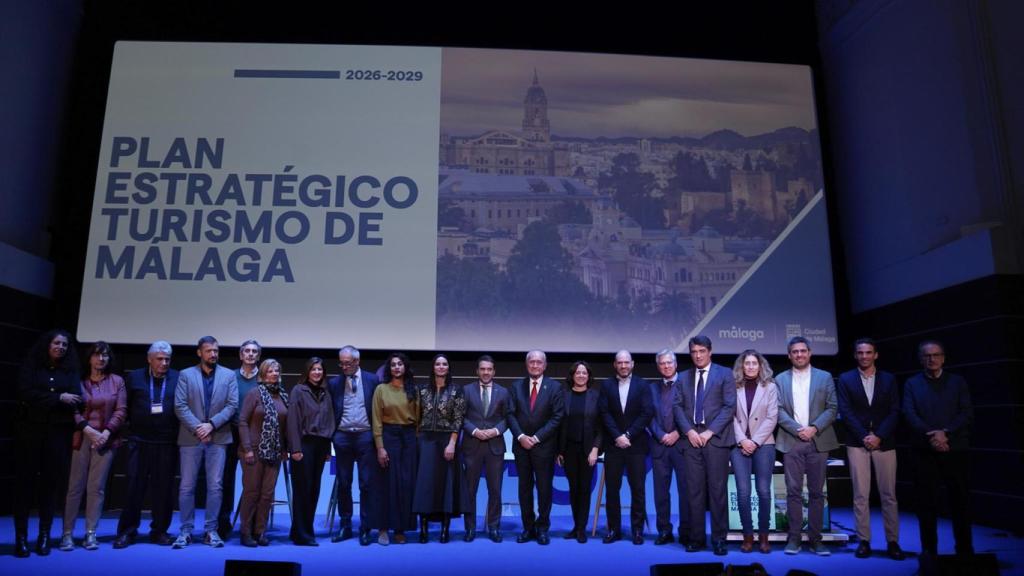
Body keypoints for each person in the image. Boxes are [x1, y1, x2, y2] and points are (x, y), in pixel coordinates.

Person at [13, 330, 81, 558]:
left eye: (64, 344)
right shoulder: (32, 366)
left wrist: (55, 398)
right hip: (30, 432)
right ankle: (21, 538)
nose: (61, 347)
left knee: (50, 487)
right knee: (24, 485)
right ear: (47, 344)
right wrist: (57, 398)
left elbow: (76, 397)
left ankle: (44, 536)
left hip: (58, 434)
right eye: (57, 343)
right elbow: (25, 392)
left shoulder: (70, 370)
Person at [903, 340, 973, 557]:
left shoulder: (957, 382)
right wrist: (933, 435)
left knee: (959, 502)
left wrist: (946, 433)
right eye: (927, 356)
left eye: (935, 355)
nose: (931, 359)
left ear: (943, 357)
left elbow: (966, 412)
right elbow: (910, 413)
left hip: (955, 449)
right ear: (920, 359)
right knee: (926, 505)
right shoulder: (912, 384)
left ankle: (964, 550)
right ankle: (929, 551)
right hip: (924, 450)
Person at [836, 338, 903, 560]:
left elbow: (895, 410)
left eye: (868, 352)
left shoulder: (889, 379)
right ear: (855, 355)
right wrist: (864, 436)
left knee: (889, 495)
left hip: (885, 443)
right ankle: (864, 541)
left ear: (876, 355)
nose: (864, 356)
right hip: (858, 442)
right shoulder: (846, 379)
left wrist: (879, 436)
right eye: (860, 353)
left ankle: (893, 542)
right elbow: (845, 411)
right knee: (860, 495)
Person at [60, 341, 127, 551]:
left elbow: (121, 410)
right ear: (89, 358)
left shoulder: (117, 381)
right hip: (83, 437)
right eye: (97, 355)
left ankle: (91, 533)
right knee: (75, 487)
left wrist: (106, 433)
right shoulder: (78, 381)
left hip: (106, 440)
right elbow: (74, 410)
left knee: (96, 488)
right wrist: (88, 430)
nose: (101, 359)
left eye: (105, 355)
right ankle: (67, 534)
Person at [172, 335, 239, 549]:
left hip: (218, 437)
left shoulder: (228, 375)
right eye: (209, 351)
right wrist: (199, 428)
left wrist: (211, 425)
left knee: (216, 486)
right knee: (187, 486)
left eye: (216, 351)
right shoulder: (185, 375)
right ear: (199, 352)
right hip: (191, 438)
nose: (213, 354)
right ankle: (186, 531)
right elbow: (180, 405)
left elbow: (232, 405)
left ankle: (211, 530)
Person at [775, 336, 838, 556]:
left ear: (809, 353)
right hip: (791, 441)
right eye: (795, 351)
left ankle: (816, 539)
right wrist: (797, 429)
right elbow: (778, 409)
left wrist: (813, 428)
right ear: (789, 355)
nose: (799, 354)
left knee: (816, 493)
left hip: (818, 441)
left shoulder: (825, 377)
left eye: (803, 351)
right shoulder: (780, 379)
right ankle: (794, 539)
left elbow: (832, 408)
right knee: (793, 492)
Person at [673, 335, 736, 556]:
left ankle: (719, 539)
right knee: (694, 492)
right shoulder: (682, 377)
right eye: (693, 352)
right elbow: (677, 407)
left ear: (710, 351)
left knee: (717, 491)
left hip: (716, 441)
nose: (697, 355)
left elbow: (729, 407)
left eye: (701, 351)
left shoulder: (725, 373)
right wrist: (689, 431)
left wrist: (709, 432)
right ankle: (697, 538)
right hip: (691, 440)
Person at [114, 340, 180, 548]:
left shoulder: (178, 378)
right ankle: (127, 531)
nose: (164, 363)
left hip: (166, 442)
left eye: (167, 359)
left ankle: (159, 531)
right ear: (149, 359)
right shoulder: (134, 377)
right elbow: (124, 407)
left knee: (163, 490)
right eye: (159, 359)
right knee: (134, 487)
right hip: (138, 441)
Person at [507, 350, 564, 545]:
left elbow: (557, 417)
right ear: (526, 364)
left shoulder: (555, 387)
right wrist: (522, 436)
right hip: (521, 447)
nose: (535, 365)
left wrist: (537, 437)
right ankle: (528, 527)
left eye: (539, 362)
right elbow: (510, 414)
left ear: (545, 365)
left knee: (544, 489)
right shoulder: (515, 386)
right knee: (524, 489)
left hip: (544, 447)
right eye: (531, 362)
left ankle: (542, 528)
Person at [327, 345, 380, 546]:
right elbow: (330, 410)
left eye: (347, 363)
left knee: (366, 484)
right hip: (342, 437)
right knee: (343, 483)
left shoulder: (372, 380)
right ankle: (345, 526)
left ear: (357, 362)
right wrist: (334, 435)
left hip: (366, 437)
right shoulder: (334, 383)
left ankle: (366, 527)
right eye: (341, 363)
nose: (343, 367)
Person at [599, 350, 653, 545]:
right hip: (613, 445)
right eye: (619, 362)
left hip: (636, 445)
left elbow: (647, 413)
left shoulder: (643, 385)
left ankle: (637, 530)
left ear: (632, 364)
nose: (623, 366)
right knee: (612, 490)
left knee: (638, 489)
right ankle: (614, 529)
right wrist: (618, 436)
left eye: (626, 362)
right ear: (615, 364)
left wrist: (628, 435)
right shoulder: (606, 385)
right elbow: (604, 413)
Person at [413, 354, 466, 543]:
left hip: (447, 441)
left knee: (446, 484)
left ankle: (445, 530)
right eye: (438, 364)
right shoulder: (422, 390)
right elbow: (415, 417)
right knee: (424, 484)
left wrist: (452, 443)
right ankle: (424, 529)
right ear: (433, 367)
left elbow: (458, 420)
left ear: (448, 368)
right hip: (425, 441)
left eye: (444, 364)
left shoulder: (456, 391)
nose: (441, 367)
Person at [730, 349, 778, 554]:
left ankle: (764, 536)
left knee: (764, 491)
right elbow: (729, 416)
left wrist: (755, 442)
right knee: (742, 492)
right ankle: (748, 536)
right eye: (746, 363)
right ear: (741, 366)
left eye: (754, 363)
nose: (750, 366)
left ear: (760, 366)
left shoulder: (771, 387)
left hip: (764, 444)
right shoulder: (733, 386)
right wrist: (742, 440)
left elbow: (772, 417)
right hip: (738, 444)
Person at [237, 358, 289, 547]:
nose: (274, 374)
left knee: (267, 494)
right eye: (270, 371)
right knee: (252, 492)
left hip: (274, 453)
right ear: (263, 374)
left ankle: (260, 531)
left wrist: (285, 449)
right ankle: (245, 532)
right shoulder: (254, 393)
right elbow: (242, 421)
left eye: (277, 371)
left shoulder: (283, 395)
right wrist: (248, 449)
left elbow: (285, 427)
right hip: (254, 451)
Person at [462, 355, 511, 543]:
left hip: (495, 446)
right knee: (470, 490)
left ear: (494, 371)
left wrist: (496, 430)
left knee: (495, 490)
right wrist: (474, 431)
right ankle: (470, 528)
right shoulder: (466, 391)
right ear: (477, 371)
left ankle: (493, 527)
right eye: (482, 369)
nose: (486, 372)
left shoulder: (504, 392)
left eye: (489, 369)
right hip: (471, 446)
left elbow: (508, 418)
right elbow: (461, 417)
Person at [372, 352, 420, 545]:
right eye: (393, 365)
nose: (397, 367)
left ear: (405, 367)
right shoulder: (381, 390)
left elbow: (419, 419)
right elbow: (376, 420)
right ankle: (383, 528)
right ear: (389, 369)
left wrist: (414, 441)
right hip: (388, 437)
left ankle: (401, 529)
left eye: (400, 364)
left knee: (406, 484)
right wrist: (380, 447)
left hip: (409, 439)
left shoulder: (413, 390)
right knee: (386, 484)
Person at [286, 357, 334, 546]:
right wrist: (295, 449)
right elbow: (293, 422)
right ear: (307, 372)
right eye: (313, 369)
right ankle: (303, 534)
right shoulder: (299, 390)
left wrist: (327, 448)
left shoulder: (326, 391)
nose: (317, 372)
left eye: (320, 369)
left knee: (314, 489)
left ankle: (300, 530)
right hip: (303, 444)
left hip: (320, 445)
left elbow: (329, 418)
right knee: (303, 490)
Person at [220, 338, 262, 540]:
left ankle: (250, 523)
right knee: (225, 479)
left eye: (254, 351)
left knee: (252, 482)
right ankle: (223, 523)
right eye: (247, 351)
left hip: (254, 436)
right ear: (240, 355)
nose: (251, 354)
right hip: (230, 432)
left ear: (258, 356)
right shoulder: (230, 377)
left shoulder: (264, 378)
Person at [557, 361, 602, 544]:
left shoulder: (596, 397)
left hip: (588, 451)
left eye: (584, 373)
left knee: (584, 490)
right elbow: (560, 425)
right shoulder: (564, 396)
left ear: (588, 376)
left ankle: (582, 528)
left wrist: (595, 450)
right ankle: (576, 526)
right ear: (572, 376)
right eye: (578, 372)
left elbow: (601, 427)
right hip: (568, 450)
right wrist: (559, 451)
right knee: (574, 490)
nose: (581, 375)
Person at [649, 349, 690, 546]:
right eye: (662, 363)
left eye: (669, 363)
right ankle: (664, 530)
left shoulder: (688, 385)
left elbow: (691, 414)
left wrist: (677, 433)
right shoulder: (651, 389)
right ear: (658, 366)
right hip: (659, 446)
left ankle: (686, 531)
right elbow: (647, 416)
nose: (666, 366)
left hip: (682, 446)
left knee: (686, 491)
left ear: (676, 364)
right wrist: (661, 435)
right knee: (660, 493)